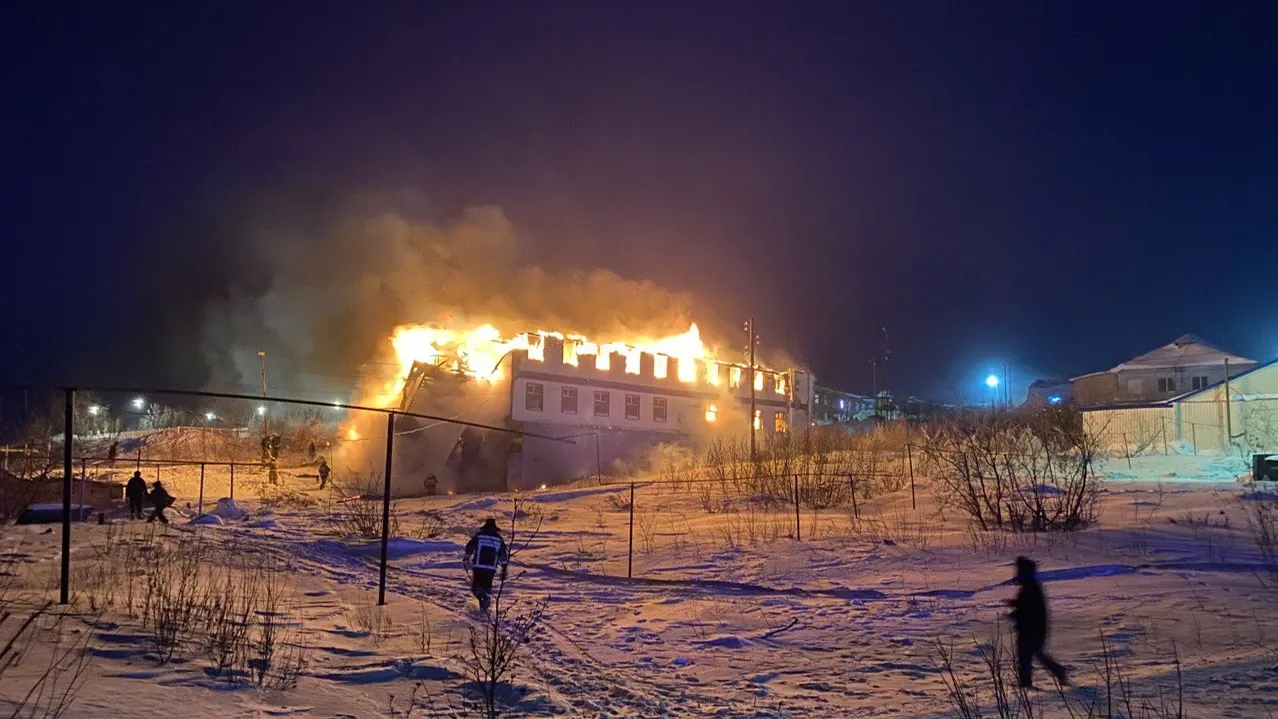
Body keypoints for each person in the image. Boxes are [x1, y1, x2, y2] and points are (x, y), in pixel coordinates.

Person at [1008, 556, 1068, 689]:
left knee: (1026, 655)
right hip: (1031, 628)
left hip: (1032, 629)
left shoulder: (1031, 588)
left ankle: (1027, 683)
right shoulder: (1030, 587)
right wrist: (1014, 606)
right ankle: (1054, 673)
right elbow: (1024, 605)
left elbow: (1028, 609)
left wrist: (1015, 612)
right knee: (1032, 655)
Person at [463, 518, 508, 613]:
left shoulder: (479, 536)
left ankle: (482, 600)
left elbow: (469, 547)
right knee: (487, 588)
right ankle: (485, 605)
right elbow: (503, 555)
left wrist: (467, 557)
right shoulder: (499, 540)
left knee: (475, 588)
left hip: (478, 566)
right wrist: (504, 568)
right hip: (491, 569)